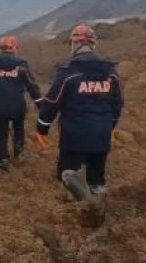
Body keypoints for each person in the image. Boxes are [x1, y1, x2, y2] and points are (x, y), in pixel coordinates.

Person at [35, 24, 124, 201]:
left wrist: (42, 128)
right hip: (101, 134)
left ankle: (84, 203)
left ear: (74, 45)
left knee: (66, 174)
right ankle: (97, 208)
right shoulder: (110, 72)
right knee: (97, 179)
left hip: (74, 134)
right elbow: (118, 103)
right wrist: (110, 127)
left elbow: (52, 102)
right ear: (94, 44)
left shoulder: (69, 72)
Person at [0, 35, 42, 176]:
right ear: (14, 48)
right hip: (17, 106)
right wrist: (40, 105)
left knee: (1, 134)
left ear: (1, 48)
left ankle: (3, 161)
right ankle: (18, 154)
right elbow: (32, 87)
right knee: (19, 129)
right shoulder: (22, 65)